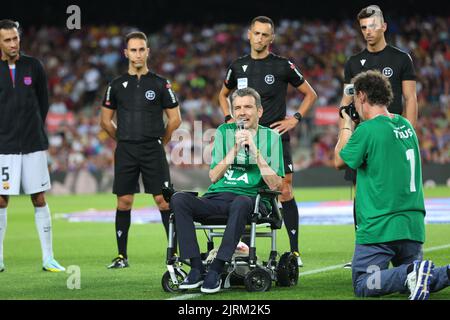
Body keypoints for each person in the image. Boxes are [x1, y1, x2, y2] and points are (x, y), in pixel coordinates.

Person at [334, 70, 449, 299]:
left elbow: (339, 160)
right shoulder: (406, 125)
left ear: (362, 96)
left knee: (364, 284)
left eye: (356, 99)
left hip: (380, 228)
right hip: (412, 227)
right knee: (418, 282)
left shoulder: (367, 130)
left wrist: (347, 123)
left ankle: (411, 273)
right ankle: (441, 274)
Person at [218, 16, 317, 266]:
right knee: (241, 187)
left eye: (265, 34)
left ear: (271, 38)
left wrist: (295, 118)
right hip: (244, 137)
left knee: (284, 190)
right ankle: (240, 248)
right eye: (256, 33)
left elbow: (310, 94)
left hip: (274, 137)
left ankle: (294, 251)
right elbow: (223, 95)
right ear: (249, 35)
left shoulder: (282, 65)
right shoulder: (238, 66)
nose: (260, 38)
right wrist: (229, 117)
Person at [171, 87, 284, 294]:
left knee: (241, 201)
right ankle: (196, 268)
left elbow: (276, 185)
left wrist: (255, 150)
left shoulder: (272, 138)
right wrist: (236, 148)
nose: (242, 112)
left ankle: (216, 268)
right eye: (238, 108)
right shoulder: (224, 132)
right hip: (218, 197)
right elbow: (214, 176)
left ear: (259, 111)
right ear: (232, 113)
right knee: (179, 199)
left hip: (252, 200)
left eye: (248, 107)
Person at [340, 5, 418, 268]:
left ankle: (397, 246)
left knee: (394, 191)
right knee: (361, 194)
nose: (368, 32)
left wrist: (408, 132)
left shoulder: (401, 59)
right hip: (366, 136)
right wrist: (344, 118)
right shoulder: (353, 63)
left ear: (384, 26)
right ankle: (363, 247)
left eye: (373, 26)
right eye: (363, 27)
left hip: (391, 134)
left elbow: (410, 98)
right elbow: (348, 97)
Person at [100, 31, 181, 269]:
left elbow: (175, 119)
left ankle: (173, 254)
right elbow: (105, 121)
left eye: (141, 49)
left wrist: (160, 141)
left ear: (148, 52)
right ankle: (121, 256)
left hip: (152, 148)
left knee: (163, 202)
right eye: (133, 50)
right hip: (126, 150)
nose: (137, 54)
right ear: (126, 53)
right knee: (124, 202)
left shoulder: (160, 83)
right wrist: (124, 139)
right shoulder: (115, 85)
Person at [0, 20, 65, 272]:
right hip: (3, 147)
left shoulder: (33, 66)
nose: (13, 44)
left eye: (15, 38)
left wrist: (32, 128)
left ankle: (48, 258)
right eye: (7, 40)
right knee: (1, 200)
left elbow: (43, 103)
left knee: (38, 197)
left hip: (33, 144)